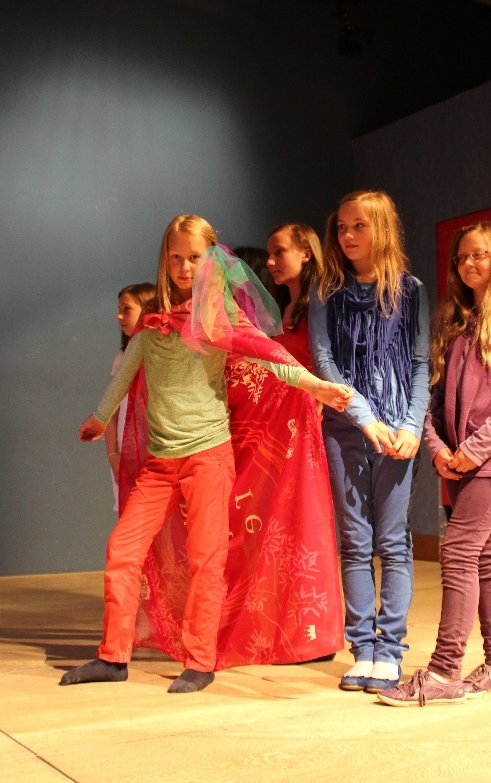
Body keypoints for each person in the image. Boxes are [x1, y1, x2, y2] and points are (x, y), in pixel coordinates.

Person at [60, 213, 353, 693]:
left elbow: (268, 356)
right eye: (175, 257)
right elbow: (126, 372)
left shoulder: (218, 318)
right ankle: (113, 656)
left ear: (211, 259)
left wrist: (315, 385)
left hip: (208, 458)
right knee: (122, 550)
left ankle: (200, 660)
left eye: (194, 257)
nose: (183, 267)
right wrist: (99, 416)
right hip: (161, 462)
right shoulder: (153, 321)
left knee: (206, 559)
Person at [378, 221, 491, 707]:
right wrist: (437, 447)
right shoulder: (458, 321)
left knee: (456, 552)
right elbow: (434, 400)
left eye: (479, 254)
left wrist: (475, 450)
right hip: (457, 459)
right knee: (486, 557)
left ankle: (443, 670)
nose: (468, 264)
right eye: (461, 257)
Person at [309, 189, 430, 693]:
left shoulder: (410, 290)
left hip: (398, 428)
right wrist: (362, 417)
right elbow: (324, 361)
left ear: (382, 228)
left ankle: (390, 649)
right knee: (355, 542)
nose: (348, 235)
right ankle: (362, 650)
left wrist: (412, 426)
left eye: (359, 225)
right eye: (341, 227)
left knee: (394, 543)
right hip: (345, 428)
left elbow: (420, 364)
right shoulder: (327, 290)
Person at [104, 282, 156, 512]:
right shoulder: (121, 359)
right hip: (127, 460)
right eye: (119, 309)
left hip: (159, 459)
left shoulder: (163, 357)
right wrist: (113, 457)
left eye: (127, 309)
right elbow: (111, 415)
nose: (119, 316)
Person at [266, 222, 322, 371]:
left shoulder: (322, 303)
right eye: (269, 254)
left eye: (279, 252)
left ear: (306, 254)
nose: (269, 262)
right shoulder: (281, 307)